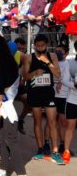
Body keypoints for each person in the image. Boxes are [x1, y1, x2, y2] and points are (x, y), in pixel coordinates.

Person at [0, 35, 26, 176]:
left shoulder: (2, 62)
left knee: (10, 139)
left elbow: (1, 87)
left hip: (11, 104)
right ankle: (2, 170)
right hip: (13, 103)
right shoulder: (8, 61)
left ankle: (21, 173)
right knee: (4, 137)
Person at [22, 34, 64, 164]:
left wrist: (47, 62)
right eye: (38, 46)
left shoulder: (52, 56)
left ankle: (55, 151)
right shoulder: (29, 57)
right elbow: (25, 77)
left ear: (46, 45)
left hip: (48, 93)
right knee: (37, 121)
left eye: (42, 45)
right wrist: (34, 73)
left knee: (52, 121)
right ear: (34, 45)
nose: (40, 48)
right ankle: (40, 149)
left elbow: (58, 74)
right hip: (35, 93)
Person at [60, 41, 77, 164]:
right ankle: (66, 151)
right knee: (70, 126)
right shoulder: (70, 64)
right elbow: (64, 80)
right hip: (72, 99)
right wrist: (74, 85)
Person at [54, 44, 70, 155]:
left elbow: (66, 78)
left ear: (66, 53)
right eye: (57, 51)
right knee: (52, 121)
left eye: (61, 51)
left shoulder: (68, 64)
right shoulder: (53, 62)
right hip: (52, 95)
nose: (58, 53)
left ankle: (62, 143)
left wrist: (60, 82)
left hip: (63, 96)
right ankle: (53, 143)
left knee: (62, 121)